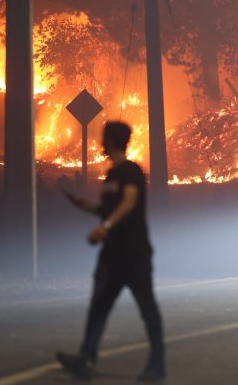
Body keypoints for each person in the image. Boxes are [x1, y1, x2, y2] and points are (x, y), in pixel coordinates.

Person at [56, 121, 166, 382]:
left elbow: (129, 202)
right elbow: (110, 209)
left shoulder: (130, 171)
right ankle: (85, 358)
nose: (101, 143)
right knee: (98, 308)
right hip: (112, 255)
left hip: (134, 254)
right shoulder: (112, 175)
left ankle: (157, 366)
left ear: (113, 141)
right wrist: (88, 207)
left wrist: (105, 227)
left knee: (147, 309)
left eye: (104, 138)